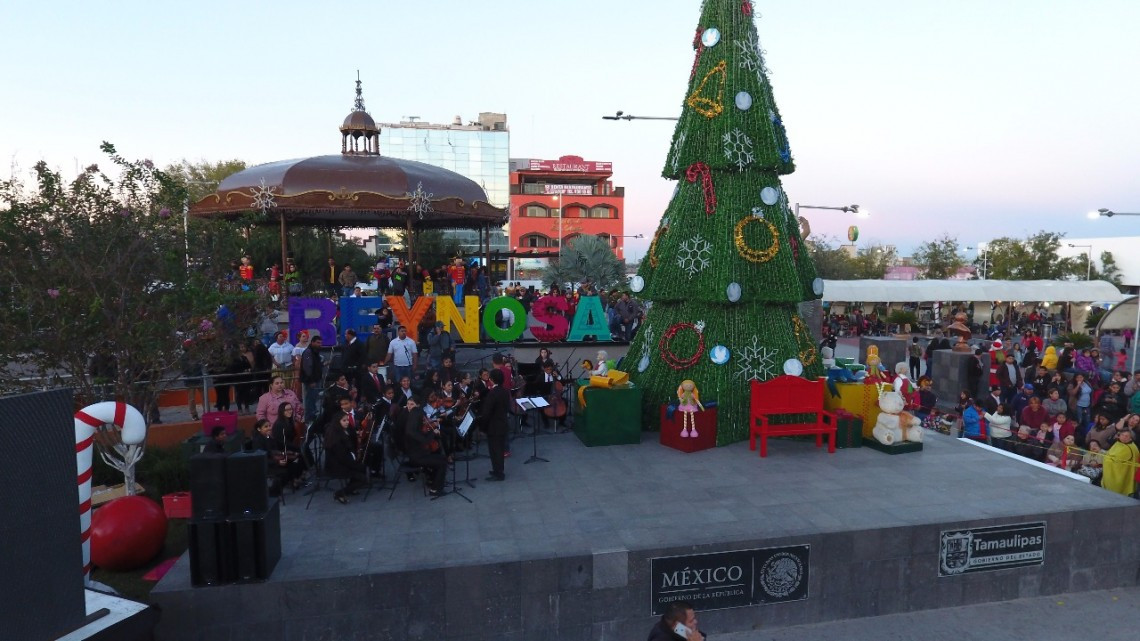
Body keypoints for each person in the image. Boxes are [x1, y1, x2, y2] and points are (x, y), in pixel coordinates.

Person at [402, 395, 447, 496]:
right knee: (442, 461)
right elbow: (424, 440)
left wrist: (430, 431)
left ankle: (433, 481)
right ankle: (435, 489)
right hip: (417, 457)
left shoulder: (412, 425)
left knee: (440, 457)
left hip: (417, 454)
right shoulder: (411, 430)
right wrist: (433, 433)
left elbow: (421, 435)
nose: (423, 421)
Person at [324, 412, 369, 504]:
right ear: (338, 422)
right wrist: (355, 464)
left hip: (343, 462)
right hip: (337, 466)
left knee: (362, 468)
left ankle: (351, 488)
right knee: (363, 478)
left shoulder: (342, 431)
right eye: (344, 420)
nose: (347, 422)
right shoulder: (336, 437)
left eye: (347, 420)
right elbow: (342, 457)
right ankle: (340, 493)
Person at [480, 368, 511, 482]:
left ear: (492, 380)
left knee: (494, 450)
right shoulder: (504, 391)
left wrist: (483, 427)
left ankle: (498, 473)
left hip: (493, 426)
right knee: (499, 449)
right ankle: (497, 470)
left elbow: (486, 412)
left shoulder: (492, 394)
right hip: (502, 423)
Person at [1102, 429, 1139, 497]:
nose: (1124, 437)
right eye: (1122, 435)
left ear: (1131, 438)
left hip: (1122, 474)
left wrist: (1106, 458)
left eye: (1126, 436)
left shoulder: (1129, 448)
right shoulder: (1118, 443)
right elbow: (1109, 455)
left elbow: (1116, 461)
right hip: (1114, 472)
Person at [300, 335, 325, 423]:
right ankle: (309, 418)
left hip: (316, 379)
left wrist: (323, 364)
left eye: (321, 343)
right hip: (311, 381)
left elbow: (315, 365)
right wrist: (311, 381)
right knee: (310, 400)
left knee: (314, 399)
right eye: (318, 342)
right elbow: (307, 368)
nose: (319, 344)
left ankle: (313, 416)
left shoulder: (315, 352)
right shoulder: (308, 352)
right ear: (312, 342)